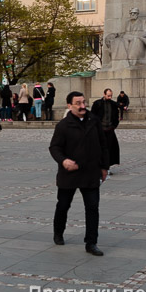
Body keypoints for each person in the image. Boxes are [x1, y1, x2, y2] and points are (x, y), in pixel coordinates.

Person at [49, 91, 108, 256]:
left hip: (90, 172)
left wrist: (104, 167)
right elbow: (54, 147)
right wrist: (64, 161)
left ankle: (91, 243)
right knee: (63, 205)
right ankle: (58, 231)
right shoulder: (63, 125)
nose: (83, 106)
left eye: (84, 102)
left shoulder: (94, 121)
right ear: (69, 106)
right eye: (78, 103)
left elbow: (103, 145)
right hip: (69, 174)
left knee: (92, 208)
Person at [90, 89, 121, 173]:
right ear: (104, 94)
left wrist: (114, 126)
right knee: (99, 148)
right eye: (108, 95)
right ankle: (99, 166)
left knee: (109, 149)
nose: (110, 97)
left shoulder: (113, 104)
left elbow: (116, 116)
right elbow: (92, 116)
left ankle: (107, 167)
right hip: (100, 130)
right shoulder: (97, 103)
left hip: (110, 129)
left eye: (111, 95)